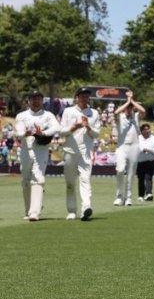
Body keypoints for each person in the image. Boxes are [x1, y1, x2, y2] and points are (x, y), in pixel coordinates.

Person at [14, 90, 61, 221]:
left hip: (41, 149)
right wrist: (26, 133)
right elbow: (18, 132)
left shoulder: (48, 115)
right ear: (29, 101)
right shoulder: (21, 115)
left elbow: (57, 128)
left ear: (42, 101)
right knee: (26, 180)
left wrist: (44, 133)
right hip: (25, 149)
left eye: (39, 99)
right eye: (33, 99)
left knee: (38, 177)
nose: (36, 101)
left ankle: (35, 212)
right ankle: (28, 209)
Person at [60, 87, 102, 220]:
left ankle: (86, 208)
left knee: (85, 180)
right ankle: (72, 210)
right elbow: (62, 132)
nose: (85, 98)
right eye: (82, 96)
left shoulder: (94, 113)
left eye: (87, 96)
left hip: (86, 152)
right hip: (70, 151)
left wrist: (88, 127)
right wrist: (75, 126)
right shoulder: (68, 111)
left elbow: (96, 134)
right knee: (70, 183)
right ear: (77, 97)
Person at [113, 90, 145, 206]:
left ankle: (128, 197)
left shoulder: (136, 116)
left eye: (131, 107)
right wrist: (127, 102)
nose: (129, 109)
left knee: (131, 173)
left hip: (134, 147)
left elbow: (143, 110)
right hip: (122, 147)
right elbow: (116, 112)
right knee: (120, 170)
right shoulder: (120, 117)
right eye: (128, 107)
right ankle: (119, 196)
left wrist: (132, 101)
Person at [137, 123, 154, 201]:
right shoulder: (138, 138)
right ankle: (140, 195)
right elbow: (136, 147)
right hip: (140, 161)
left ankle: (149, 193)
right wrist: (142, 149)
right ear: (142, 131)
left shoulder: (153, 138)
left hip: (150, 161)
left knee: (149, 177)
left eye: (148, 129)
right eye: (145, 129)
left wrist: (150, 150)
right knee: (141, 178)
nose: (147, 131)